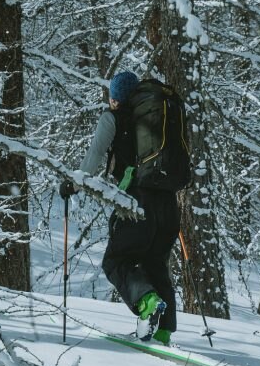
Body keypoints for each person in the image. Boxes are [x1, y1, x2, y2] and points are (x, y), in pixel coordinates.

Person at [60, 71, 178, 344]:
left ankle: (147, 303)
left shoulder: (113, 118)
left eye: (112, 96)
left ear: (117, 98)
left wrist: (72, 185)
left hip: (136, 202)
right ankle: (163, 332)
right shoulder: (157, 119)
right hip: (168, 203)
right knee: (155, 263)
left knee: (115, 261)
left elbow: (93, 158)